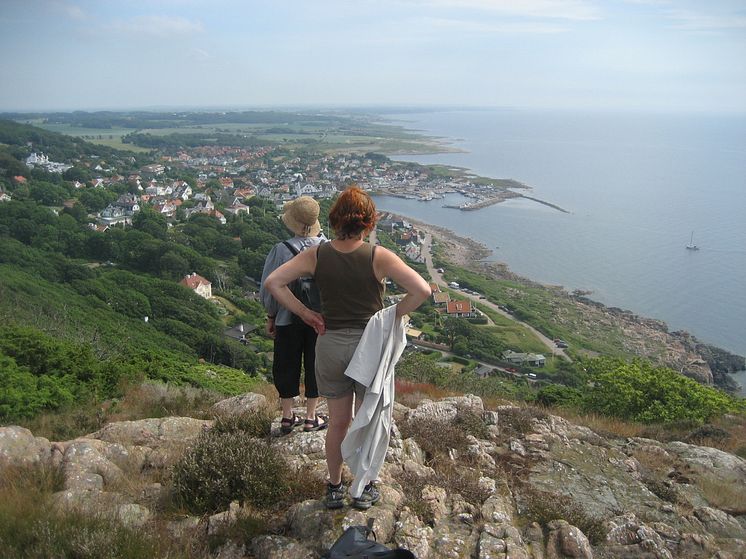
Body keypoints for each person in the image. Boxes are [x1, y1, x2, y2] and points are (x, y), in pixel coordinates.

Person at [264, 186, 431, 509]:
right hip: (369, 346)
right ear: (369, 223)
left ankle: (335, 486)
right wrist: (390, 315)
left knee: (338, 422)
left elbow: (274, 283)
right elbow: (421, 290)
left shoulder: (317, 254)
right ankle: (364, 486)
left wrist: (306, 314)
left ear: (335, 219)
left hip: (329, 345)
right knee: (366, 419)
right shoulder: (377, 256)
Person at [259, 196, 328, 435]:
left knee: (286, 364)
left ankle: (287, 416)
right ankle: (311, 416)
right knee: (314, 365)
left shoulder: (281, 249)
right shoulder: (326, 247)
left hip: (287, 318)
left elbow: (268, 287)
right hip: (320, 320)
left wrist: (271, 316)